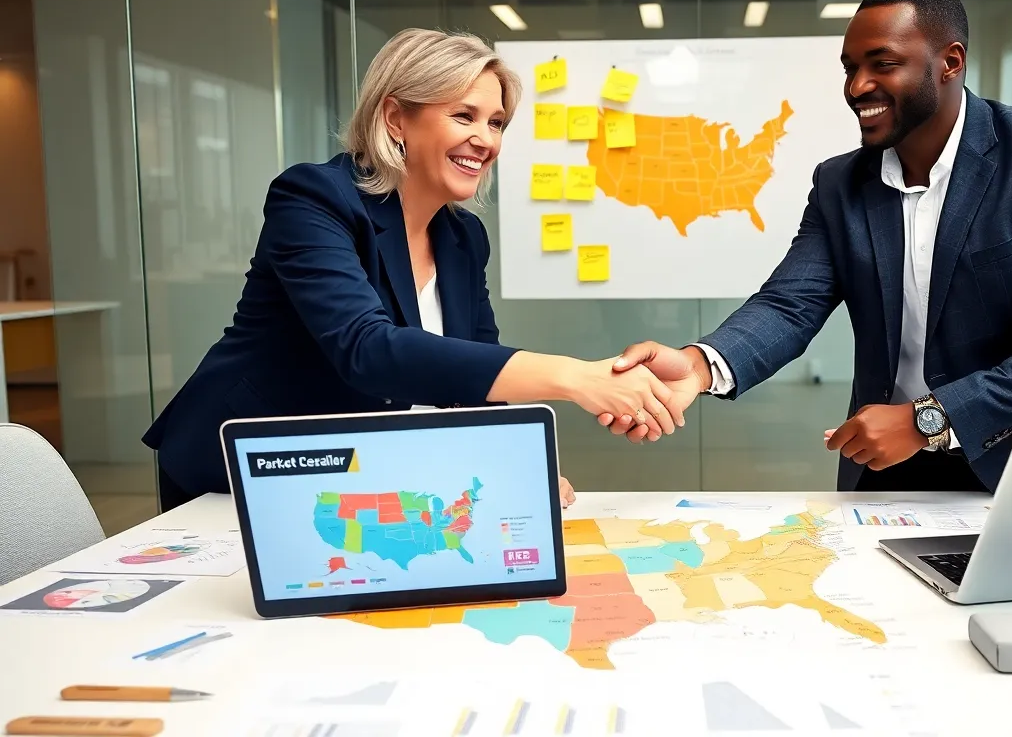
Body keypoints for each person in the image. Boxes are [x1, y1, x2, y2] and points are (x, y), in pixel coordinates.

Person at [599, 0, 1012, 493]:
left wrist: (927, 419)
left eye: (883, 64)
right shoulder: (840, 182)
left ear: (951, 62)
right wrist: (698, 365)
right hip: (892, 465)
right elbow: (789, 304)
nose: (857, 86)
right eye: (850, 68)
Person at [143, 29, 683, 510]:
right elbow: (368, 350)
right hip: (245, 472)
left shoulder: (462, 237)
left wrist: (515, 469)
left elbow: (471, 380)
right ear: (395, 116)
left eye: (496, 122)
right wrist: (575, 377)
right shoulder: (314, 199)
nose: (487, 140)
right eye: (464, 116)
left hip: (349, 481)